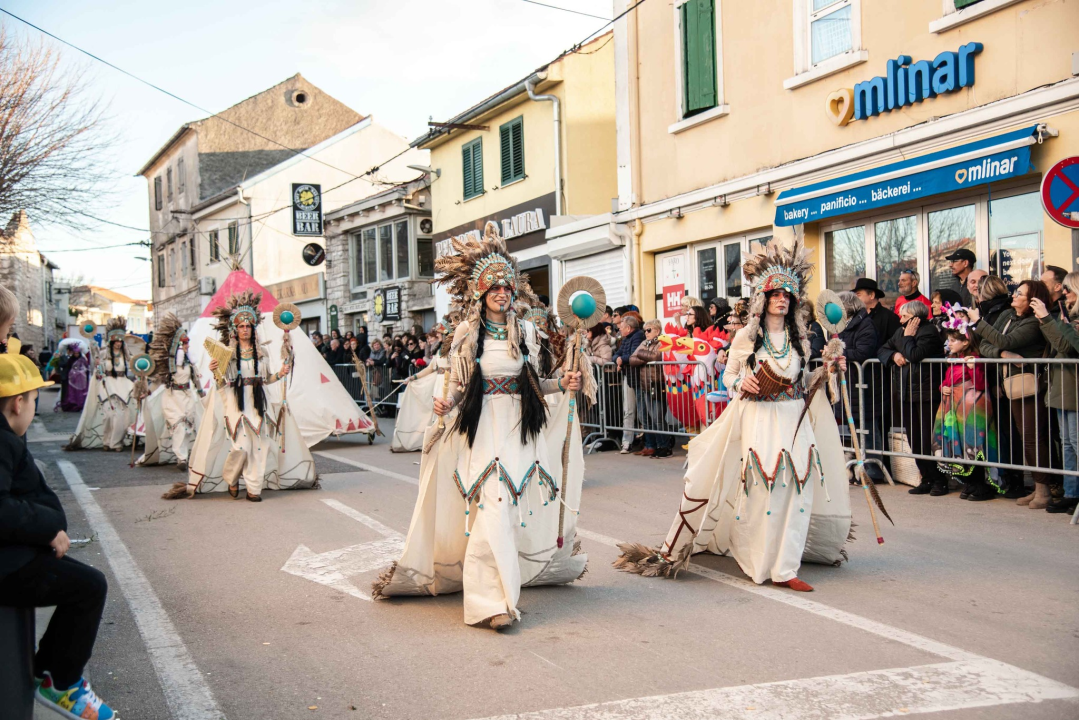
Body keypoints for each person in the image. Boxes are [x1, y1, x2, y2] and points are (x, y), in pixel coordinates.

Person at [373, 222, 588, 629]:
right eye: (495, 289)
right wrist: (446, 401)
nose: (502, 294)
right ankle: (492, 603)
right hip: (482, 431)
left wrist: (563, 382)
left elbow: (535, 384)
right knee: (491, 507)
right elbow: (457, 385)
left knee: (505, 512)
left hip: (519, 435)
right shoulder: (467, 334)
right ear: (481, 294)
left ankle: (498, 593)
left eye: (507, 288)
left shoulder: (525, 333)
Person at [616, 237, 850, 590]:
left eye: (787, 295)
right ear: (764, 299)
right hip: (759, 418)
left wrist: (830, 370)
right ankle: (758, 560)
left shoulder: (802, 340)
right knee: (764, 491)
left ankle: (786, 567)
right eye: (776, 294)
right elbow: (729, 375)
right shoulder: (746, 337)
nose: (782, 300)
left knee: (796, 490)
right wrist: (743, 383)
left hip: (793, 419)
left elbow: (804, 381)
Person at [0, 354, 117, 719]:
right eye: (35, 400)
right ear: (18, 402)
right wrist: (48, 528)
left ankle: (52, 673)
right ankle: (59, 681)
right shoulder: (1, 441)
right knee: (89, 586)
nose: (34, 408)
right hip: (8, 565)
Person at [172, 290, 316, 501]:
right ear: (234, 329)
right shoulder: (228, 355)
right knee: (241, 447)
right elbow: (222, 383)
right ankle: (231, 477)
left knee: (260, 447)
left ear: (253, 328)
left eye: (248, 326)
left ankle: (253, 489)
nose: (245, 329)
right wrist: (215, 370)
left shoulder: (262, 353)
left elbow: (266, 378)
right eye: (241, 326)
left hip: (259, 402)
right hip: (236, 404)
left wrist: (281, 373)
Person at [968, 279, 1056, 507]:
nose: (1014, 296)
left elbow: (1004, 339)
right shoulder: (1007, 315)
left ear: (1032, 300)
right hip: (1012, 382)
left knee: (1033, 437)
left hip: (1032, 384)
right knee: (1024, 436)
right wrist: (1004, 354)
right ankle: (1038, 487)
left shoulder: (1033, 323)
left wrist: (979, 322)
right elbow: (986, 345)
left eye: (1020, 294)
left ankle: (1044, 490)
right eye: (1015, 292)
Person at [877, 301, 947, 495]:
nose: (901, 320)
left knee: (927, 439)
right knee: (914, 440)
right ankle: (925, 477)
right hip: (906, 392)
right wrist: (893, 355)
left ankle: (939, 479)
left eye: (905, 317)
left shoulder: (928, 331)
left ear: (916, 318)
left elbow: (915, 354)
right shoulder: (901, 331)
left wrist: (907, 339)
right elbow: (883, 349)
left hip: (926, 392)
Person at [932, 306, 998, 501]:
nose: (948, 343)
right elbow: (948, 380)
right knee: (958, 444)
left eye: (953, 340)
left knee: (974, 443)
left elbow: (979, 384)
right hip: (955, 408)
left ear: (966, 341)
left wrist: (973, 367)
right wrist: (942, 388)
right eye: (949, 340)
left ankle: (981, 483)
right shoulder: (953, 359)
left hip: (972, 409)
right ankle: (970, 481)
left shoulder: (973, 359)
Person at [1032, 271, 1079, 515]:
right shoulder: (1066, 315)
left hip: (1073, 386)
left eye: (1069, 290)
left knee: (1076, 442)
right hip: (1062, 385)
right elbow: (1057, 346)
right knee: (1068, 444)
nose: (1065, 294)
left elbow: (1069, 347)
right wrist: (1049, 321)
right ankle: (1071, 493)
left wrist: (1050, 321)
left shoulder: (1071, 318)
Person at [138, 313, 205, 470]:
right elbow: (157, 381)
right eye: (184, 343)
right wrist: (146, 392)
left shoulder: (190, 364)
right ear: (178, 346)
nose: (187, 346)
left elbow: (196, 382)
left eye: (188, 343)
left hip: (187, 397)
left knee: (188, 429)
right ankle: (181, 458)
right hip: (171, 397)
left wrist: (203, 395)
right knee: (178, 427)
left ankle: (184, 455)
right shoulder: (168, 366)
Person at [66, 318, 136, 451]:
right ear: (111, 341)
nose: (119, 344)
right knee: (109, 415)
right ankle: (106, 440)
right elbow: (98, 367)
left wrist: (141, 372)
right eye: (116, 341)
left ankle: (116, 442)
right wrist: (99, 370)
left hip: (122, 385)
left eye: (121, 341)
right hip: (108, 384)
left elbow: (134, 365)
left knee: (122, 416)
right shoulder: (104, 353)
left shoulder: (125, 354)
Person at [629, 319, 674, 458]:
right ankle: (656, 446)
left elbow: (657, 356)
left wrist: (642, 355)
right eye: (645, 330)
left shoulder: (662, 342)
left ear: (657, 331)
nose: (646, 333)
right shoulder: (644, 343)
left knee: (658, 417)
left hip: (658, 383)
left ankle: (665, 445)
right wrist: (646, 357)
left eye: (649, 330)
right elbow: (632, 359)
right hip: (646, 385)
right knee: (650, 418)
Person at [614, 315, 645, 454]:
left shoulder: (637, 336)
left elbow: (634, 355)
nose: (619, 328)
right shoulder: (626, 338)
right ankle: (626, 442)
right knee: (628, 410)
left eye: (621, 325)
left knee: (641, 411)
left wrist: (621, 360)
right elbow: (616, 354)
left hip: (638, 377)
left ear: (628, 328)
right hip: (629, 376)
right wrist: (619, 360)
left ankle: (642, 440)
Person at [854, 278, 900, 348]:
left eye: (858, 294)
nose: (855, 298)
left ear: (871, 295)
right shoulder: (856, 317)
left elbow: (896, 344)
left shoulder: (890, 318)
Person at [59, 346, 90, 413]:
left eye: (77, 353)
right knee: (72, 393)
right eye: (75, 353)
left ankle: (80, 405)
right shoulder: (70, 360)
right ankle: (72, 405)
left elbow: (86, 368)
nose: (76, 355)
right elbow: (68, 368)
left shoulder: (82, 360)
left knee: (80, 393)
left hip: (81, 379)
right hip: (72, 380)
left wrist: (81, 372)